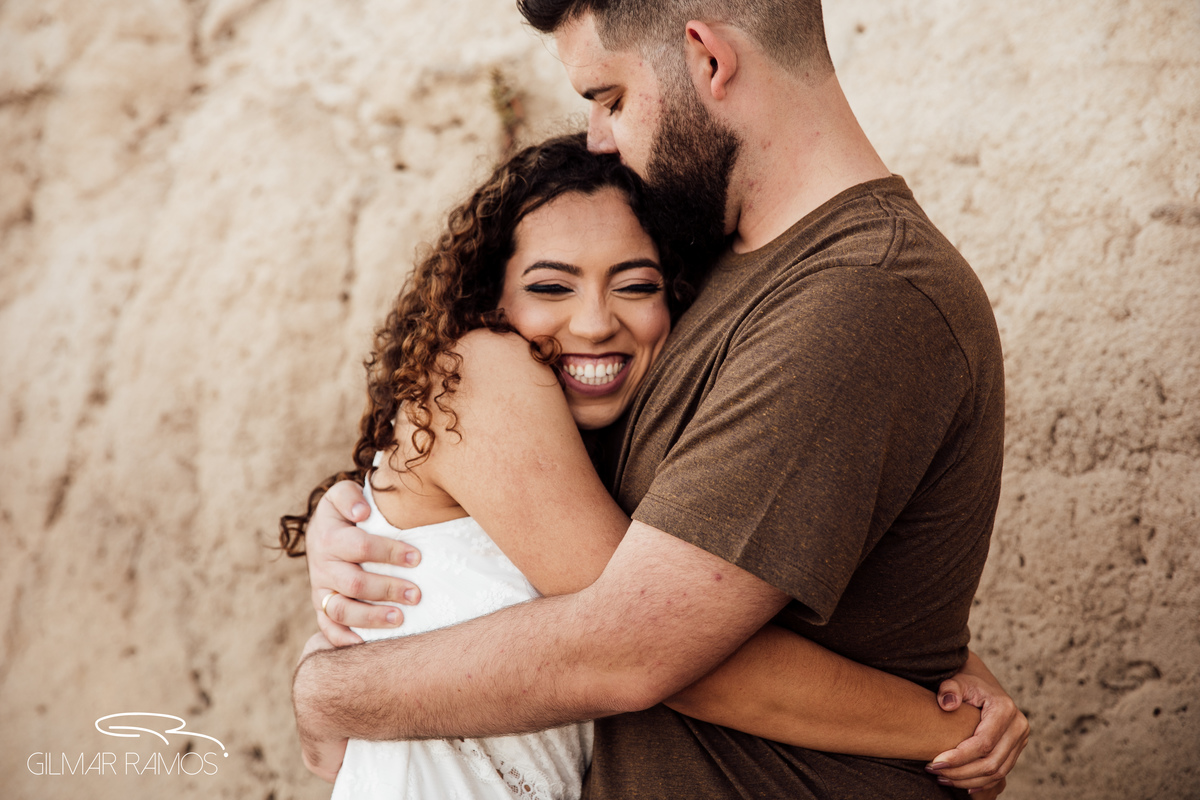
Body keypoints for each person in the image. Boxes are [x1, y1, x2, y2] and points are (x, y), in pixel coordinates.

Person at [292, 1, 1031, 797]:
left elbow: (632, 644)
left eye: (609, 98)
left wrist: (328, 691)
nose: (598, 137)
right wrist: (371, 509)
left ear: (708, 60)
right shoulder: (702, 267)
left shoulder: (862, 295)